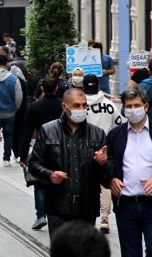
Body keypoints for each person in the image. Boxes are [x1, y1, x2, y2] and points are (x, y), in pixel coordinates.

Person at [28, 88, 108, 238]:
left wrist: (103, 163)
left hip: (86, 208)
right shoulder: (48, 130)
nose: (82, 109)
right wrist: (50, 175)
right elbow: (33, 165)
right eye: (77, 106)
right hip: (58, 207)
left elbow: (106, 177)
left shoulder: (97, 134)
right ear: (65, 107)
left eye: (85, 106)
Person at [106, 87, 152, 256]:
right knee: (130, 253)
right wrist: (112, 179)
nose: (133, 110)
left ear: (145, 106)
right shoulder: (115, 135)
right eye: (129, 106)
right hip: (126, 205)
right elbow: (109, 165)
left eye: (137, 105)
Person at [20, 77, 64, 230]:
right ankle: (58, 212)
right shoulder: (62, 105)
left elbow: (27, 130)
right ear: (57, 89)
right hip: (61, 146)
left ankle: (40, 215)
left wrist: (23, 154)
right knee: (58, 178)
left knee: (39, 181)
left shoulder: (35, 106)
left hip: (41, 146)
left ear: (42, 89)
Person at [82, 74, 122, 234]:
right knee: (105, 183)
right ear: (98, 86)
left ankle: (87, 215)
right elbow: (120, 122)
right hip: (105, 148)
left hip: (84, 148)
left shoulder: (80, 105)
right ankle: (105, 217)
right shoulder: (109, 104)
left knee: (87, 182)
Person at [0, 55, 22, 168]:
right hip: (9, 112)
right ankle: (6, 158)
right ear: (7, 64)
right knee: (8, 135)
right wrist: (15, 108)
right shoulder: (13, 78)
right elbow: (18, 97)